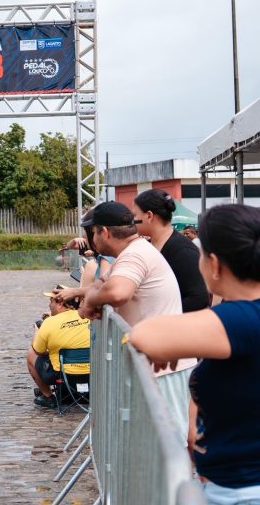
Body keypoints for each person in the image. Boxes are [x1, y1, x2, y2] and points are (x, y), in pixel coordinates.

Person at [129, 204, 260, 503]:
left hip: (244, 491)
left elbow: (144, 335)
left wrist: (175, 342)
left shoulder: (243, 319)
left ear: (213, 265)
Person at [78, 201, 196, 445]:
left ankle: (177, 484)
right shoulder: (135, 251)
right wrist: (86, 296)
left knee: (170, 444)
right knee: (161, 443)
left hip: (164, 366)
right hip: (160, 362)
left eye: (93, 233)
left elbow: (118, 291)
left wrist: (89, 302)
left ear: (105, 233)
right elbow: (104, 284)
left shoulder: (134, 256)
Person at [132, 189, 209, 312]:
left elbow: (199, 298)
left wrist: (161, 314)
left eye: (135, 215)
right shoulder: (147, 246)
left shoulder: (183, 251)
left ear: (149, 216)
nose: (133, 220)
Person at [27, 286, 90, 409]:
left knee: (31, 355)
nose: (49, 306)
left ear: (60, 303)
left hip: (63, 374)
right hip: (93, 372)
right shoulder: (87, 316)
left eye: (51, 302)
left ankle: (48, 397)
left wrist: (38, 330)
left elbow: (37, 350)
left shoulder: (50, 323)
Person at [56, 207, 115, 304]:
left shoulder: (105, 257)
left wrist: (76, 293)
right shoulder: (104, 254)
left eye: (87, 232)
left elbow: (103, 289)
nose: (84, 236)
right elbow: (69, 247)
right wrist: (74, 241)